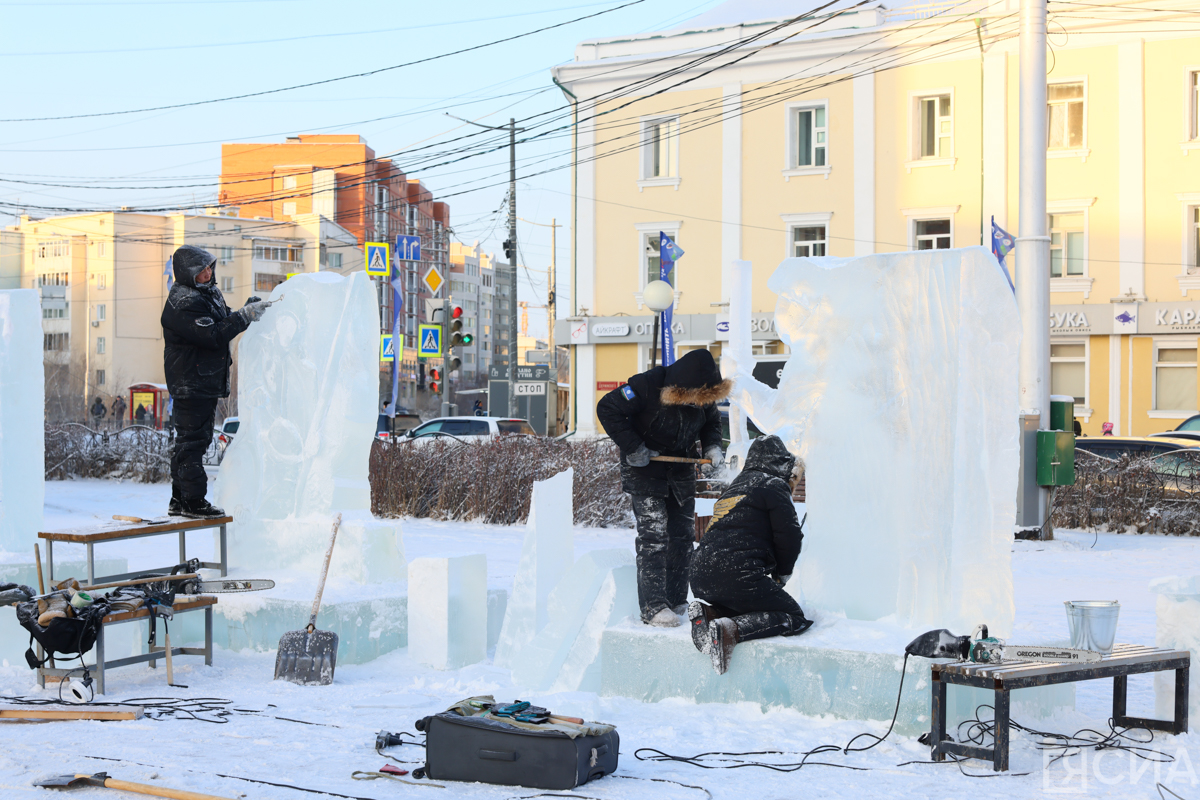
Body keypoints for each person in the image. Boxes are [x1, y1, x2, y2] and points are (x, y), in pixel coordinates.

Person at [596, 348, 729, 628]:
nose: (697, 405)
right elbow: (608, 408)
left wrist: (713, 448)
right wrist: (634, 447)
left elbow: (711, 423)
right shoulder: (646, 386)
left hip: (679, 467)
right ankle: (653, 607)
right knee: (654, 536)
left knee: (681, 537)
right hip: (644, 468)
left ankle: (677, 601)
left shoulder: (703, 394)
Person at [161, 244, 271, 518]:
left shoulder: (206, 293)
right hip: (191, 382)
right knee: (193, 442)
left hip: (202, 381)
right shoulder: (183, 303)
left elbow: (222, 320)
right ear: (188, 273)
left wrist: (244, 312)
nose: (208, 272)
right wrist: (243, 317)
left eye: (210, 266)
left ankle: (180, 499)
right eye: (201, 269)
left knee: (193, 440)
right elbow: (212, 335)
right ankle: (193, 502)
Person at [687, 434, 812, 674]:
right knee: (792, 615)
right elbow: (789, 537)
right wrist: (782, 573)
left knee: (749, 603)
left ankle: (710, 613)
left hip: (700, 574)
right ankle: (730, 629)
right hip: (736, 574)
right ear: (781, 461)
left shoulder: (736, 487)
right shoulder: (773, 485)